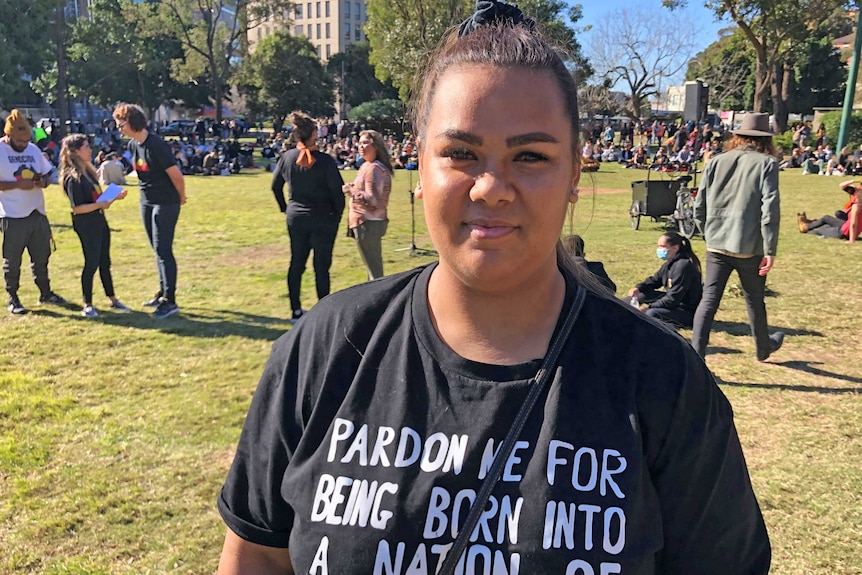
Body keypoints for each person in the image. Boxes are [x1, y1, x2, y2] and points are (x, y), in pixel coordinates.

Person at [216, 2, 771, 573]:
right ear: (419, 165)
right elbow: (256, 554)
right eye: (460, 153)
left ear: (575, 174)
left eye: (530, 155)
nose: (491, 188)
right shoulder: (326, 346)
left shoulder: (663, 380)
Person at [692, 112, 784, 362]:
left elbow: (698, 205)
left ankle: (696, 355)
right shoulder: (767, 164)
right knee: (754, 299)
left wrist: (707, 232)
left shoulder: (715, 161)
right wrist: (770, 248)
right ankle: (763, 347)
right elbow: (770, 209)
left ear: (737, 136)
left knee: (708, 300)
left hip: (717, 243)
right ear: (766, 139)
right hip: (749, 244)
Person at [113, 103, 186, 319]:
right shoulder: (135, 145)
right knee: (156, 249)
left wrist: (180, 197)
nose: (120, 129)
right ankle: (163, 292)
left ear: (133, 122)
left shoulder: (156, 145)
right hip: (147, 201)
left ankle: (170, 300)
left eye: (121, 124)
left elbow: (176, 176)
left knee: (164, 249)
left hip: (165, 202)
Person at [271, 110, 345, 321]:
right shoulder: (325, 161)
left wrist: (286, 208)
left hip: (297, 217)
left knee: (297, 262)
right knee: (322, 266)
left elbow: (275, 187)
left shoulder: (287, 158)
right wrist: (336, 216)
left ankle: (295, 309)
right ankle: (323, 312)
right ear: (314, 134)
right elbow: (337, 192)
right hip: (323, 218)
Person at [0, 109, 66, 314]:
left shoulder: (33, 150)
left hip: (37, 212)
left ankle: (45, 293)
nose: (23, 144)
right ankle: (13, 297)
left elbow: (47, 174)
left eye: (26, 140)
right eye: (19, 141)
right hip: (12, 214)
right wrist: (19, 185)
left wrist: (42, 182)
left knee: (41, 256)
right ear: (8, 135)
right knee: (12, 259)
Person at [59, 134, 132, 318]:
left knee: (104, 262)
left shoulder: (89, 172)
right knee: (91, 263)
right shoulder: (73, 177)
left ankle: (113, 299)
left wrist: (113, 197)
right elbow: (78, 208)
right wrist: (100, 204)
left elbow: (96, 200)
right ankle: (88, 304)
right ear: (75, 151)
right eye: (85, 147)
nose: (90, 150)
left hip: (99, 221)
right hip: (86, 224)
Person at [342, 129, 393, 280]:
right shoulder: (367, 166)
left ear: (376, 146)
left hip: (368, 224)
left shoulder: (373, 169)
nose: (361, 146)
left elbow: (373, 200)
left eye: (365, 142)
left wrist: (351, 191)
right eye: (359, 143)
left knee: (375, 272)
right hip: (366, 222)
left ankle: (379, 301)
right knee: (371, 267)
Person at [627, 232, 703, 329]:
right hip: (674, 302)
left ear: (675, 248)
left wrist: (648, 307)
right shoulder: (670, 262)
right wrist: (638, 288)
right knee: (639, 295)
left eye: (662, 246)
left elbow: (673, 299)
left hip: (684, 310)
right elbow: (655, 280)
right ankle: (619, 310)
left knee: (651, 313)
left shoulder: (683, 266)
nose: (659, 249)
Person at [797, 179, 861, 243]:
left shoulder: (856, 206)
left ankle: (805, 227)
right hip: (848, 229)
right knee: (828, 223)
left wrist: (851, 240)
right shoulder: (857, 203)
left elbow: (853, 224)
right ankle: (809, 224)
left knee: (820, 229)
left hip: (844, 233)